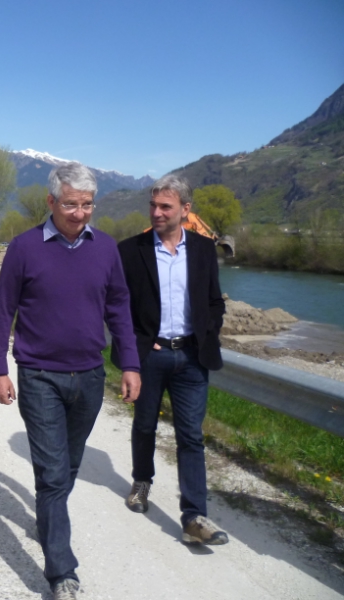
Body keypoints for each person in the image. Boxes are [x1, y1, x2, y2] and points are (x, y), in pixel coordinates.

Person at [0, 162, 141, 599]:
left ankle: (48, 518)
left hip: (90, 376)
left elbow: (119, 309)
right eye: (71, 204)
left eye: (87, 204)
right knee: (54, 475)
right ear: (51, 201)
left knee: (69, 465)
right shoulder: (24, 248)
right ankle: (61, 572)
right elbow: (3, 310)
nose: (79, 213)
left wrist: (130, 364)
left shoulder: (105, 249)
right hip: (39, 376)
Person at [115, 174, 228, 545]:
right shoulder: (131, 250)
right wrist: (135, 350)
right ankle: (142, 481)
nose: (157, 212)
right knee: (145, 425)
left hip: (192, 357)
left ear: (185, 210)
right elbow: (117, 306)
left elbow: (214, 300)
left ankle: (194, 516)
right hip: (151, 355)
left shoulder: (203, 249)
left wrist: (207, 332)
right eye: (153, 205)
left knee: (191, 436)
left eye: (166, 206)